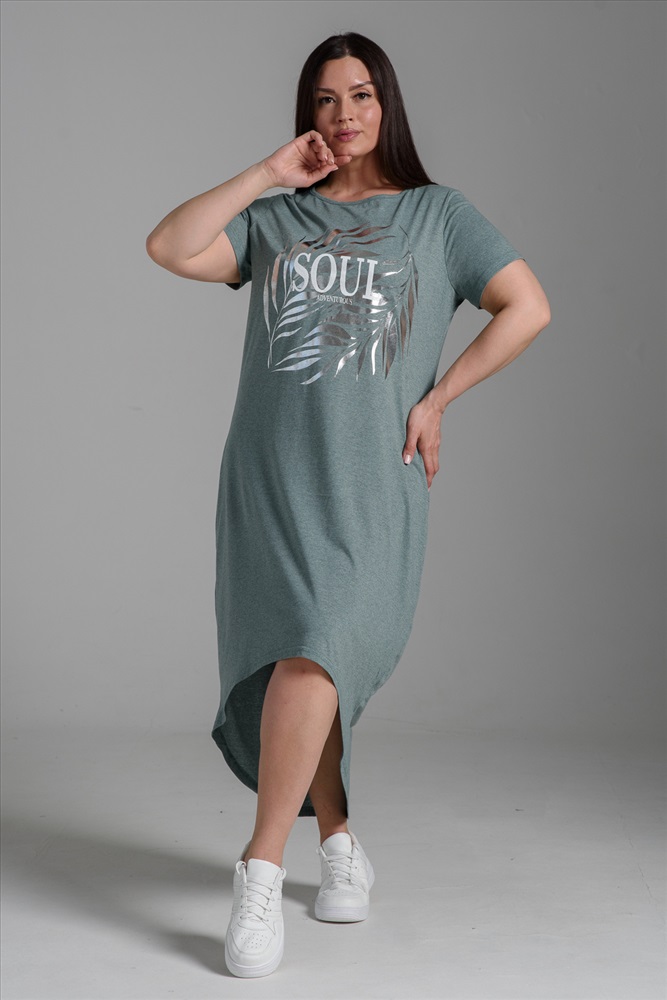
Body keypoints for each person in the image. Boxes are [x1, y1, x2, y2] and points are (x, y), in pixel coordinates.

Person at [145, 30, 551, 979]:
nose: (344, 115)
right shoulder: (277, 220)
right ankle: (337, 844)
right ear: (308, 113)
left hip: (370, 480)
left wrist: (437, 399)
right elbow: (169, 246)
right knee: (302, 656)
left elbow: (527, 306)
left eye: (360, 95)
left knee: (320, 645)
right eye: (325, 99)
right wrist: (267, 173)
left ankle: (257, 869)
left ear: (387, 103)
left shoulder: (437, 216)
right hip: (270, 475)